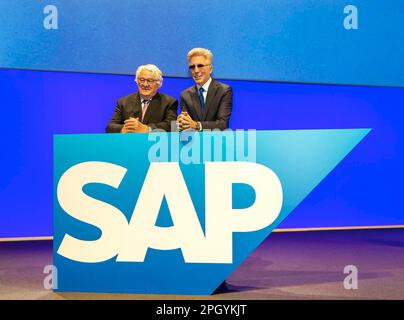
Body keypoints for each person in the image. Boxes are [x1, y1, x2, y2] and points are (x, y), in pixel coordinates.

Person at [106, 64, 178, 133]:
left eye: (150, 80)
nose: (145, 84)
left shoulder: (169, 102)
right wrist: (124, 128)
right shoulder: (123, 102)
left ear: (158, 83)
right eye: (142, 79)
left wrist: (147, 129)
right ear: (137, 81)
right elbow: (110, 127)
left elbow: (173, 127)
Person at [177, 48, 233, 131]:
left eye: (200, 66)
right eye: (192, 67)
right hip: (194, 142)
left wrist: (197, 125)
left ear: (210, 69)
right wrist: (182, 122)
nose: (196, 70)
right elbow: (186, 124)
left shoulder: (224, 91)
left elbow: (222, 124)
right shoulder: (185, 95)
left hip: (216, 141)